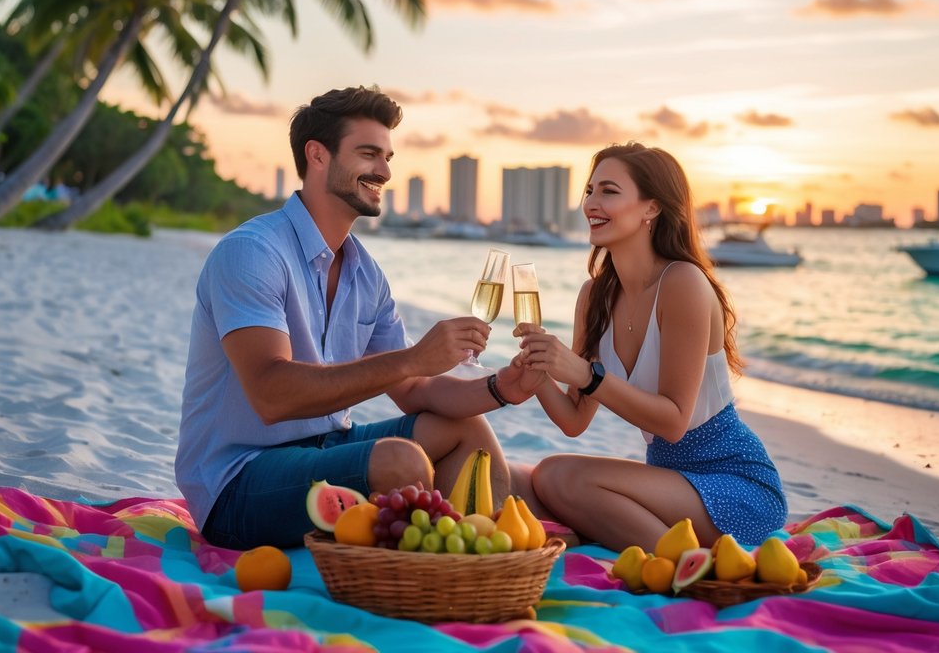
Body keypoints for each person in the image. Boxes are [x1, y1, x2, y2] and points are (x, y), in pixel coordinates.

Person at [176, 86, 536, 549]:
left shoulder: (366, 274)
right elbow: (271, 394)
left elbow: (415, 391)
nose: (385, 171)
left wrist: (500, 388)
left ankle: (475, 564)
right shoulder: (252, 253)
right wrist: (412, 358)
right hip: (239, 482)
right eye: (368, 154)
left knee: (468, 432)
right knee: (399, 462)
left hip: (326, 449)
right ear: (317, 155)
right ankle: (427, 563)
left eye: (388, 157)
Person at [514, 143, 787, 552]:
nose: (591, 203)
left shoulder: (683, 283)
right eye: (589, 191)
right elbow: (574, 421)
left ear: (651, 209)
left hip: (733, 483)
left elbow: (674, 422)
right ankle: (654, 548)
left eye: (609, 191)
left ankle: (689, 566)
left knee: (556, 476)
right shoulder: (594, 297)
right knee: (520, 483)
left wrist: (585, 375)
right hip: (666, 477)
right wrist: (537, 374)